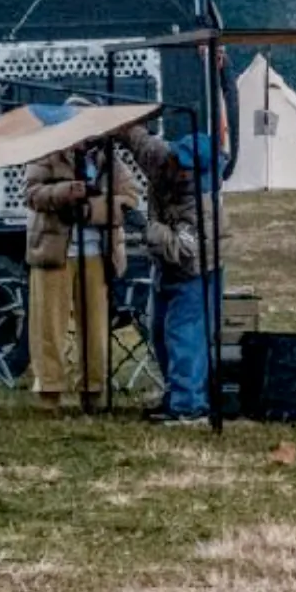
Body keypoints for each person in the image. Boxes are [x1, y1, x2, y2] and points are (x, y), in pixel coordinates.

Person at [23, 126, 135, 411]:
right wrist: (66, 193)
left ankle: (93, 389)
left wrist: (90, 210)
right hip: (53, 251)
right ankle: (49, 391)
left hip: (98, 252)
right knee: (48, 325)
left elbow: (129, 200)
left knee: (95, 326)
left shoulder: (109, 159)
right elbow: (32, 194)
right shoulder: (46, 152)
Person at [118, 124, 224, 424]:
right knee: (160, 335)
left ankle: (190, 407)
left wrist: (145, 226)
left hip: (195, 273)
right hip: (166, 268)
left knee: (184, 336)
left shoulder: (203, 204)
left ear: (199, 172)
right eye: (177, 160)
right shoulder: (162, 157)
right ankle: (175, 396)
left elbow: (183, 248)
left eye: (186, 168)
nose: (177, 169)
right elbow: (136, 139)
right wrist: (116, 127)